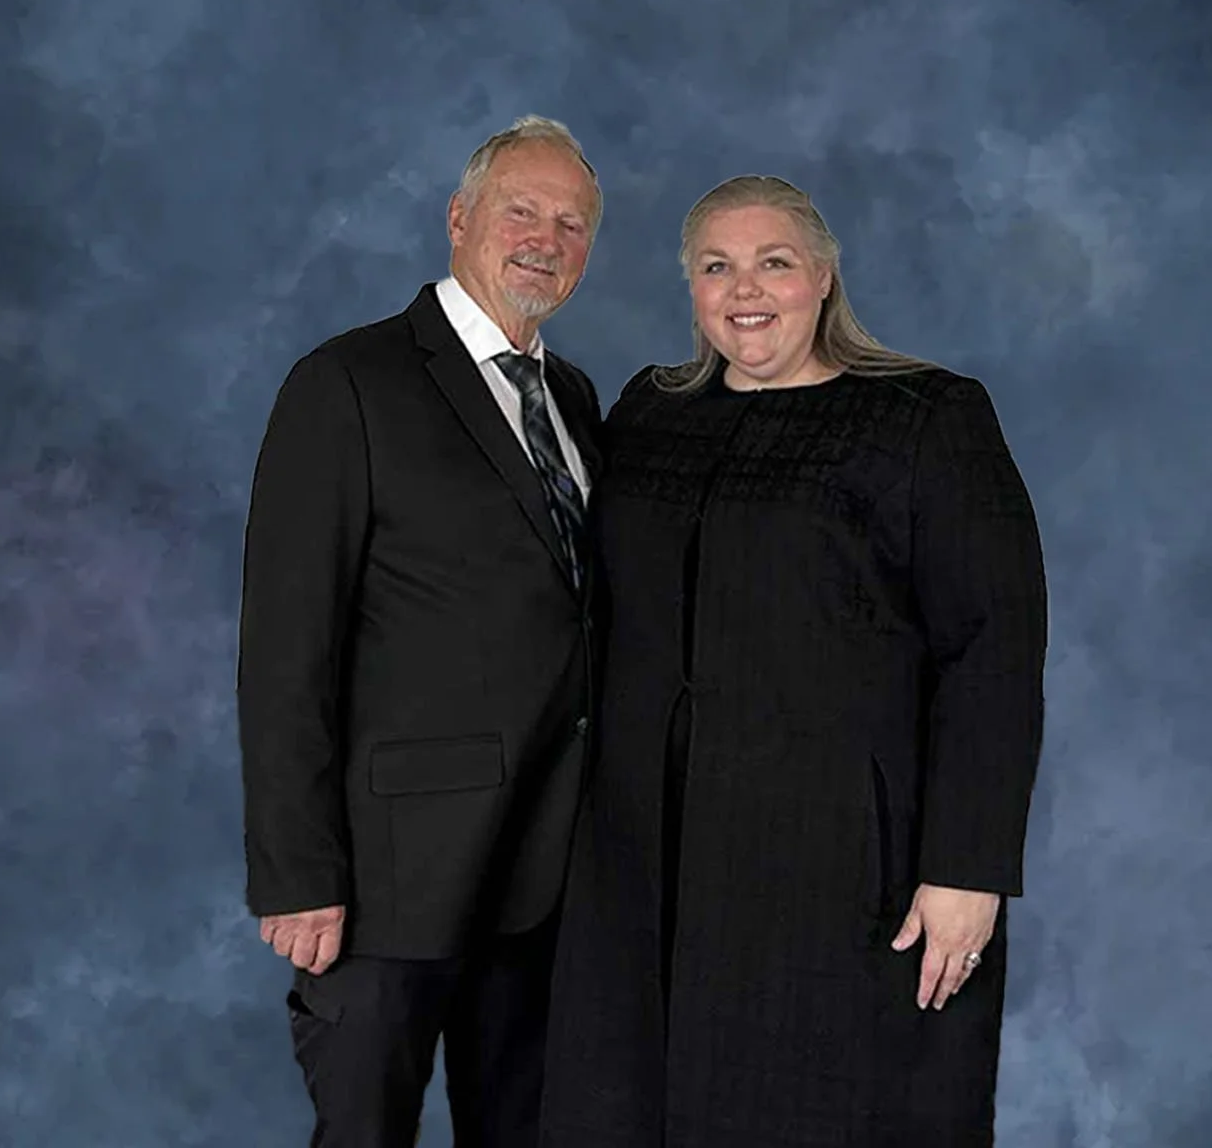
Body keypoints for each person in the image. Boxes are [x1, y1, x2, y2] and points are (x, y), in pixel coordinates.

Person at [538, 175, 1048, 1147]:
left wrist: (968, 870)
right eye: (715, 266)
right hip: (641, 859)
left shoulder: (925, 418)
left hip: (840, 862)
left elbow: (994, 650)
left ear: (822, 277)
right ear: (691, 287)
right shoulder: (650, 412)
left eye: (773, 263)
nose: (745, 290)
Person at [236, 115, 604, 1148]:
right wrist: (298, 874)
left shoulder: (574, 401)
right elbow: (285, 650)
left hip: (543, 879)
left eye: (571, 224)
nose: (545, 240)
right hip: (386, 883)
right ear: (458, 218)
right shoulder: (348, 384)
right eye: (521, 211)